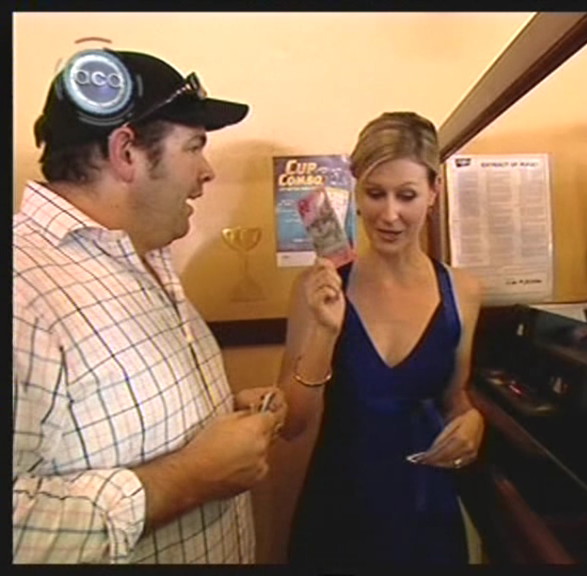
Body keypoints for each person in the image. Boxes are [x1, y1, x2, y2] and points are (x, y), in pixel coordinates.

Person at [12, 47, 286, 564]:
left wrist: (219, 417)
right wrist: (191, 477)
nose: (207, 171)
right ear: (126, 152)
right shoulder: (20, 290)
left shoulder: (145, 256)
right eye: (194, 147)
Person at [277, 111, 485, 567]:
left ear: (433, 192)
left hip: (425, 512)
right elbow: (291, 423)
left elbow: (455, 398)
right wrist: (325, 332)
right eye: (375, 194)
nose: (389, 214)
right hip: (340, 508)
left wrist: (472, 421)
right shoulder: (317, 289)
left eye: (406, 195)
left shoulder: (464, 292)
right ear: (356, 193)